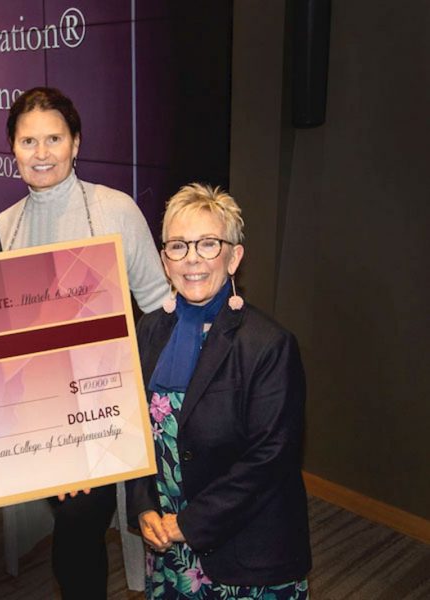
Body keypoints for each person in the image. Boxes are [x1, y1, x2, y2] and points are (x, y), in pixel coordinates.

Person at [0, 86, 170, 599]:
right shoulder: (2, 230)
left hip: (105, 408)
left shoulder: (114, 211)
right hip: (37, 414)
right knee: (78, 521)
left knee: (80, 518)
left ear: (76, 143)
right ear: (13, 149)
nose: (42, 152)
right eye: (29, 141)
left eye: (54, 138)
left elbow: (158, 302)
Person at [126, 184, 311, 598]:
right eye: (178, 245)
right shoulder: (149, 329)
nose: (191, 258)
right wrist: (144, 506)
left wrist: (187, 525)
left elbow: (270, 459)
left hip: (245, 550)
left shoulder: (269, 344)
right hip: (168, 545)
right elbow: (134, 430)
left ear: (234, 257)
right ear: (164, 259)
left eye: (208, 244)